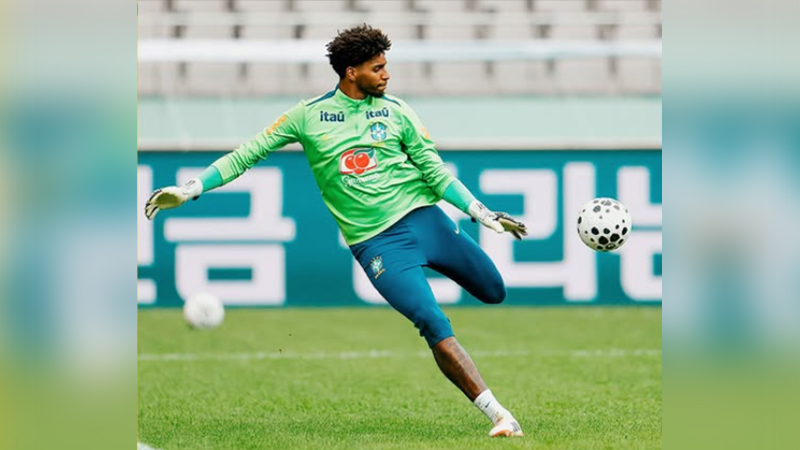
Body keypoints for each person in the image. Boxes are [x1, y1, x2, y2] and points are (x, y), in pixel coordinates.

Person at [145, 24, 527, 438]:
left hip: (426, 220)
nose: (386, 75)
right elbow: (245, 155)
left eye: (386, 66)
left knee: (494, 291)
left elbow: (434, 172)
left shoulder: (397, 111)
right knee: (432, 321)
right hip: (379, 245)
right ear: (350, 72)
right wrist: (191, 189)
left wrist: (479, 211)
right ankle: (500, 415)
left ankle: (497, 406)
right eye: (377, 68)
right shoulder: (307, 117)